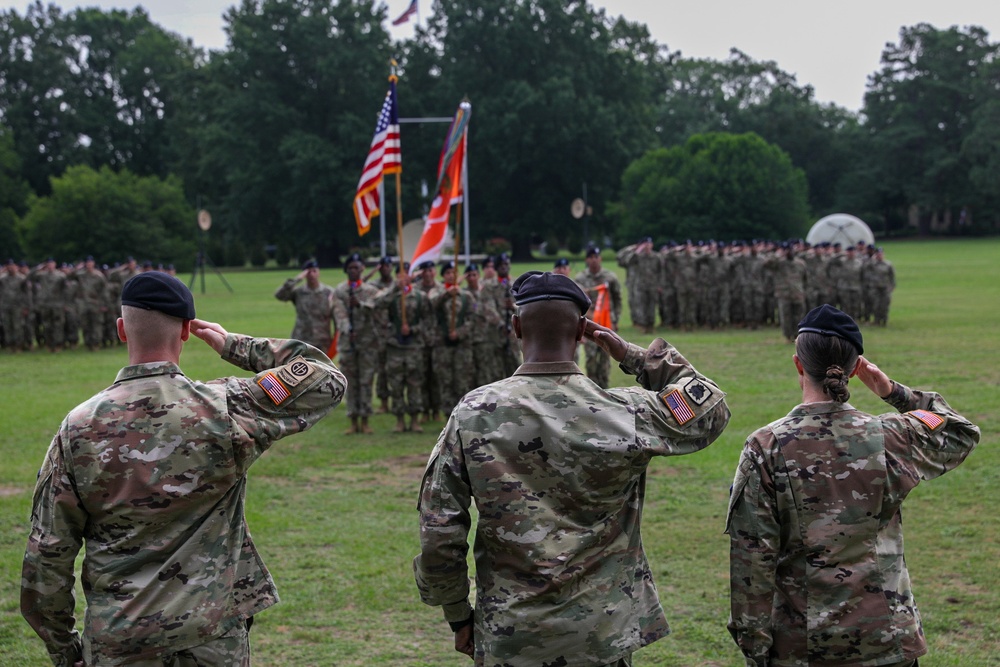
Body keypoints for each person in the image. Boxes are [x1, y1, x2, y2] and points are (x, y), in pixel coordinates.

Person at [20, 271, 347, 667]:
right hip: (210, 639)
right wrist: (234, 345)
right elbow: (325, 376)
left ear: (122, 330)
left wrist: (64, 650)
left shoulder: (77, 428)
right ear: (187, 332)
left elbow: (46, 557)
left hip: (120, 642)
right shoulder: (225, 408)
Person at [414, 271, 731, 667]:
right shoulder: (626, 412)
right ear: (583, 330)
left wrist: (458, 615)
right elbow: (710, 408)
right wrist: (632, 355)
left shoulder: (474, 413)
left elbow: (439, 529)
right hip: (602, 634)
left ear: (516, 327)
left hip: (511, 634)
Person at [726, 304, 979, 667]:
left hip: (803, 645)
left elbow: (752, 560)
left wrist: (756, 648)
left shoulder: (766, 447)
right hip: (887, 639)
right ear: (855, 368)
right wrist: (894, 392)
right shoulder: (892, 434)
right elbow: (959, 431)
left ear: (798, 364)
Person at [332, 253, 381, 434]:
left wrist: (360, 304)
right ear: (346, 270)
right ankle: (353, 419)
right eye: (351, 267)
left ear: (362, 269)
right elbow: (339, 313)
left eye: (357, 267)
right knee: (350, 381)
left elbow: (376, 305)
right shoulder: (340, 291)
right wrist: (347, 329)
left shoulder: (370, 290)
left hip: (367, 342)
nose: (354, 270)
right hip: (348, 343)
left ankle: (366, 418)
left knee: (366, 380)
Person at [574, 245, 622, 388]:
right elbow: (576, 303)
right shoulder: (580, 278)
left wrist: (616, 318)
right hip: (589, 324)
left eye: (596, 257)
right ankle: (594, 389)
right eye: (591, 257)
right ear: (587, 260)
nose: (594, 260)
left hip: (607, 322)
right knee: (591, 359)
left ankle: (605, 388)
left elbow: (617, 298)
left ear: (600, 258)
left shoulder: (610, 277)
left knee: (606, 358)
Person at [274, 259, 335, 352]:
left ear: (319, 273)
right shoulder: (299, 292)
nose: (312, 274)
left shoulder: (328, 292)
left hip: (322, 341)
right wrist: (297, 279)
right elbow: (279, 295)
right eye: (308, 272)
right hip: (301, 340)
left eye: (314, 271)